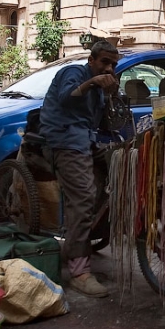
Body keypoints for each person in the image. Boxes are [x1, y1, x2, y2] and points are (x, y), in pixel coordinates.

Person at [39, 40, 120, 298]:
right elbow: (66, 96)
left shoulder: (100, 87)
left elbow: (103, 120)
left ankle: (77, 240)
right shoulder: (74, 73)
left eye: (113, 65)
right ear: (92, 60)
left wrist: (109, 95)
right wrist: (92, 84)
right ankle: (79, 272)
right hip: (63, 140)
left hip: (87, 139)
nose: (108, 68)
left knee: (118, 168)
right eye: (104, 62)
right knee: (83, 197)